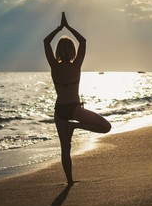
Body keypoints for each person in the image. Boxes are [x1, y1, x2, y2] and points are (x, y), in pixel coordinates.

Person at [44, 12, 111, 186]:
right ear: (72, 51)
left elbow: (45, 42)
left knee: (65, 149)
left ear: (58, 51)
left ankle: (70, 181)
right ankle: (75, 126)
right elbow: (83, 41)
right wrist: (68, 27)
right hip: (74, 108)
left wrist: (59, 29)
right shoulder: (76, 65)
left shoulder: (53, 65)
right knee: (106, 127)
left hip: (60, 110)